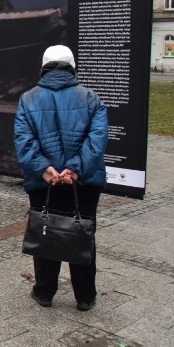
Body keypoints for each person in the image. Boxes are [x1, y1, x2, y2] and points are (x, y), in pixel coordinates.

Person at [14, 45, 108, 312]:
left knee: (45, 232)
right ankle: (85, 296)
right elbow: (97, 140)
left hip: (44, 181)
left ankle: (44, 291)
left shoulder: (28, 99)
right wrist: (75, 169)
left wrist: (44, 169)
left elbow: (24, 141)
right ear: (72, 67)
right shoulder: (92, 99)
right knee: (83, 233)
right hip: (84, 182)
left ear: (43, 67)